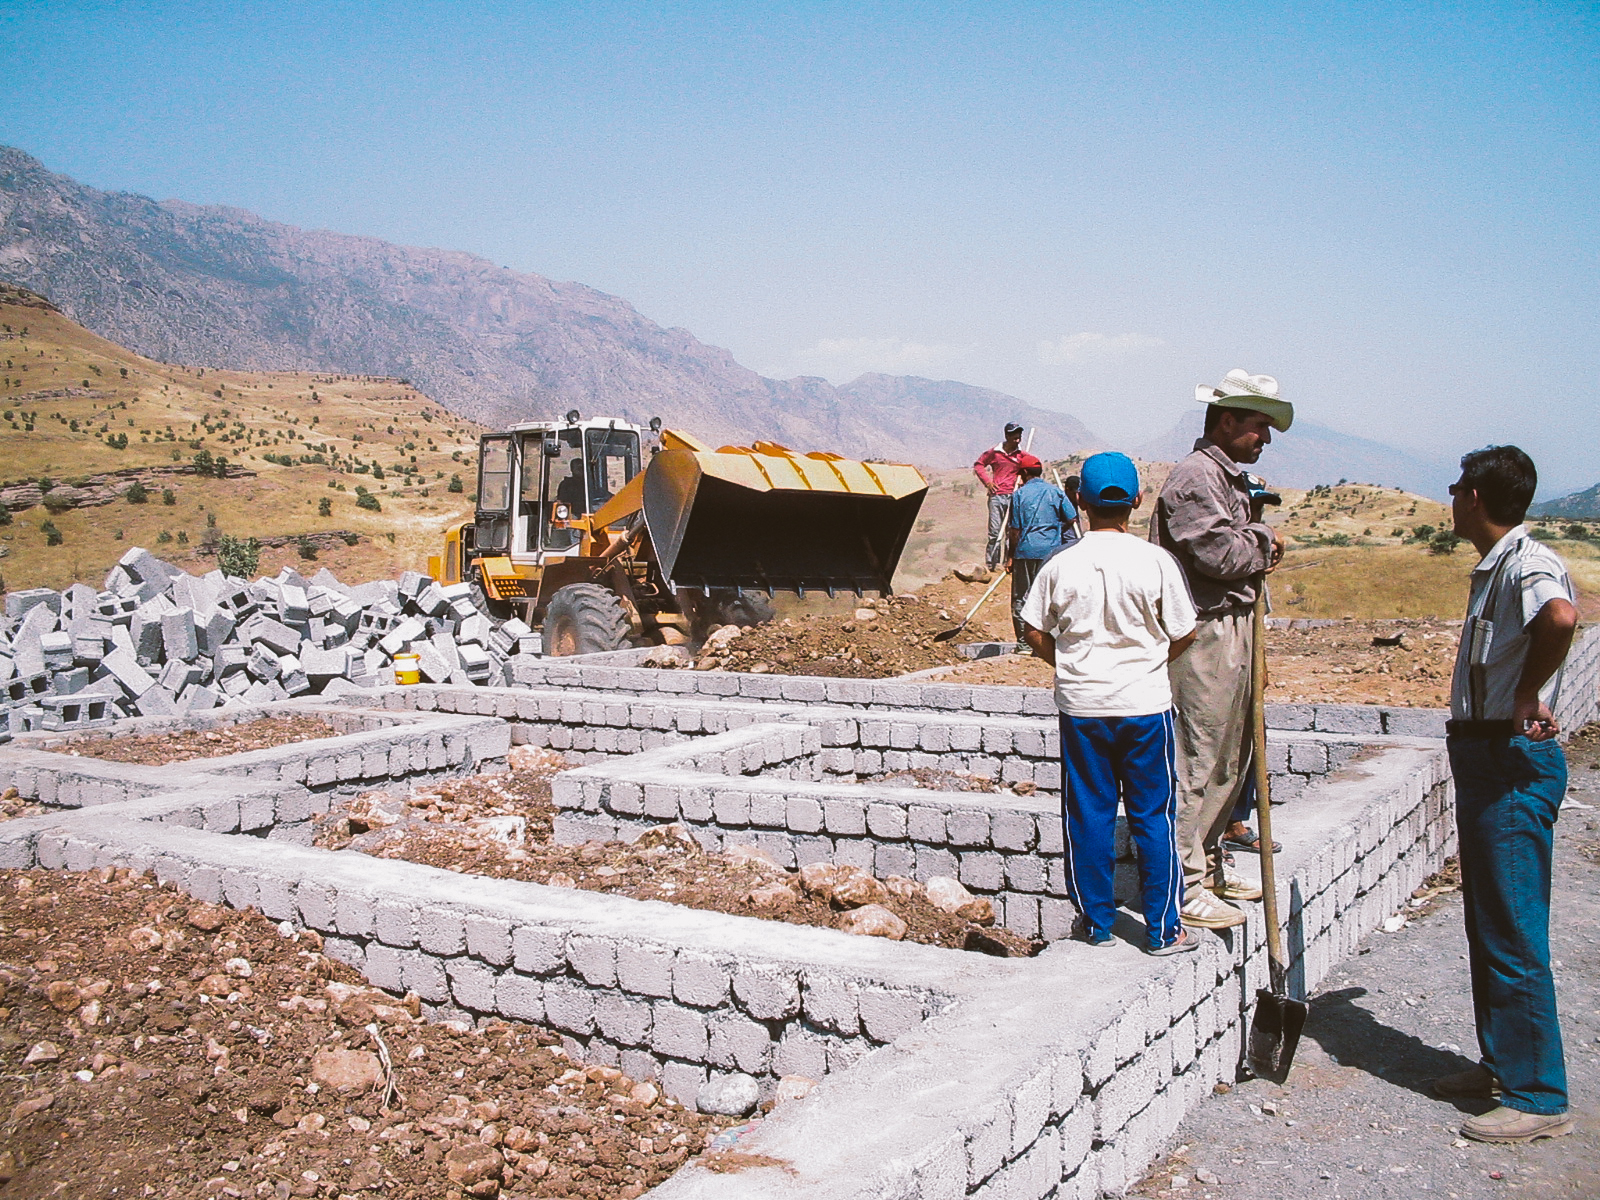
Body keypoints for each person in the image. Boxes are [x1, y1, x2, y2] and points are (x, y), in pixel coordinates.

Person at [1428, 445, 1578, 1144]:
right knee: (1490, 920)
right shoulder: (1496, 568)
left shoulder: (1526, 562)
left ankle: (1536, 1094)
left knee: (1514, 927)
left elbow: (1560, 617)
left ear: (1479, 498)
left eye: (1459, 488)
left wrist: (1526, 692)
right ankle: (1501, 1065)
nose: (1452, 498)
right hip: (1484, 753)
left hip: (1509, 757)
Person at [1021, 452, 1199, 954]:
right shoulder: (1157, 561)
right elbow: (1184, 632)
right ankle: (1165, 929)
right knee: (1153, 815)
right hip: (1145, 707)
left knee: (1090, 813)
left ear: (1079, 500)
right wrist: (1152, 661)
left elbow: (1032, 628)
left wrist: (1069, 663)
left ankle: (1097, 923)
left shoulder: (1062, 564)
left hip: (1082, 708)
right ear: (1137, 502)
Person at [1150, 368, 1290, 930]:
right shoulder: (1194, 477)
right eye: (1259, 425)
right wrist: (1265, 538)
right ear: (1226, 421)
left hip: (1233, 626)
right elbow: (1219, 555)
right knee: (1199, 753)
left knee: (1232, 756)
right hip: (1203, 632)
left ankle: (1207, 862)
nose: (1266, 438)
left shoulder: (1226, 478)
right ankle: (1183, 883)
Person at [1005, 454, 1079, 642]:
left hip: (1026, 551)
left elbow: (1015, 530)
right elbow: (1071, 518)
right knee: (1052, 596)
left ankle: (1024, 643)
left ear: (1023, 473)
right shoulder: (1056, 492)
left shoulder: (1019, 495)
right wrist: (1055, 531)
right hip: (1051, 552)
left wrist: (1010, 556)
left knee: (1022, 597)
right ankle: (1050, 641)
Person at [974, 422, 1028, 571]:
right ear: (1007, 435)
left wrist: (1024, 478)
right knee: (994, 532)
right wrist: (988, 482)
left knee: (1012, 532)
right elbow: (979, 465)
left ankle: (1008, 563)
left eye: (1019, 435)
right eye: (1014, 435)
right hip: (997, 496)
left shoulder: (1022, 455)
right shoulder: (995, 452)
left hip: (1014, 496)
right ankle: (992, 564)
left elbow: (1034, 467)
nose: (1017, 438)